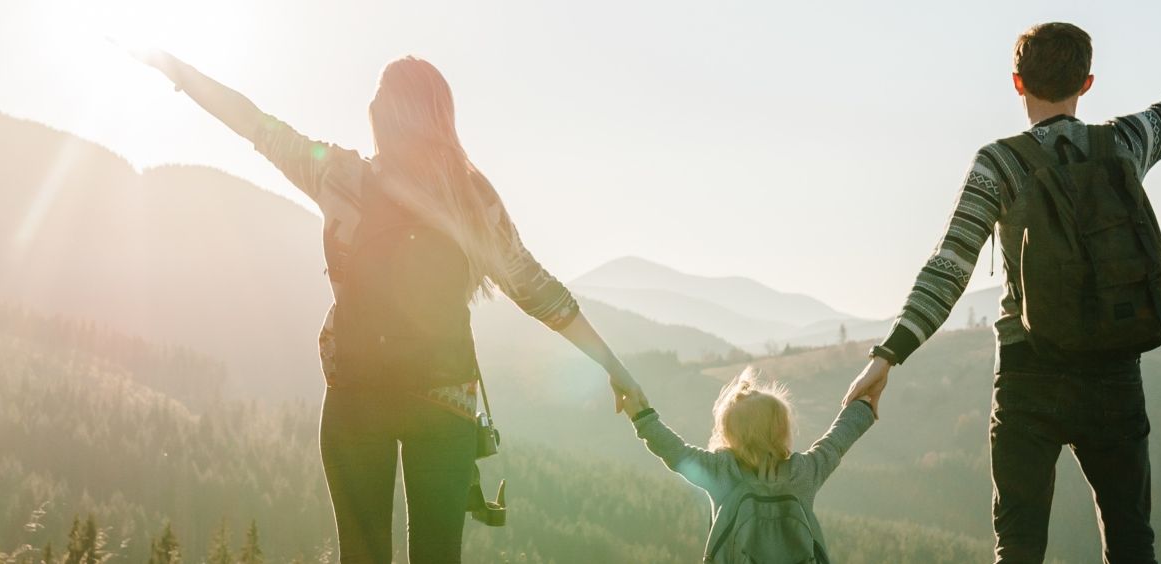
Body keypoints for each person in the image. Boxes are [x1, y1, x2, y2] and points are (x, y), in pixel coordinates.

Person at [841, 0, 1161, 563]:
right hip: (1113, 370)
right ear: (1088, 84)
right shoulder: (1127, 141)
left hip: (1028, 375)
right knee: (1131, 542)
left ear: (1017, 84)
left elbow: (948, 267)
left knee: (1019, 548)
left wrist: (887, 355)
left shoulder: (999, 164)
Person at [128, 51, 646, 564]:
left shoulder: (340, 175)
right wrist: (613, 367)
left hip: (357, 390)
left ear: (382, 114)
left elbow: (256, 124)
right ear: (442, 117)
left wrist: (178, 72)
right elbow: (541, 292)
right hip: (446, 402)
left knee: (362, 555)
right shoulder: (469, 199)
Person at [621, 369, 875, 564]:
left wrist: (641, 417)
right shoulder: (803, 473)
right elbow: (837, 440)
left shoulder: (721, 472)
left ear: (728, 432)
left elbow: (675, 452)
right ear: (782, 431)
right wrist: (864, 403)